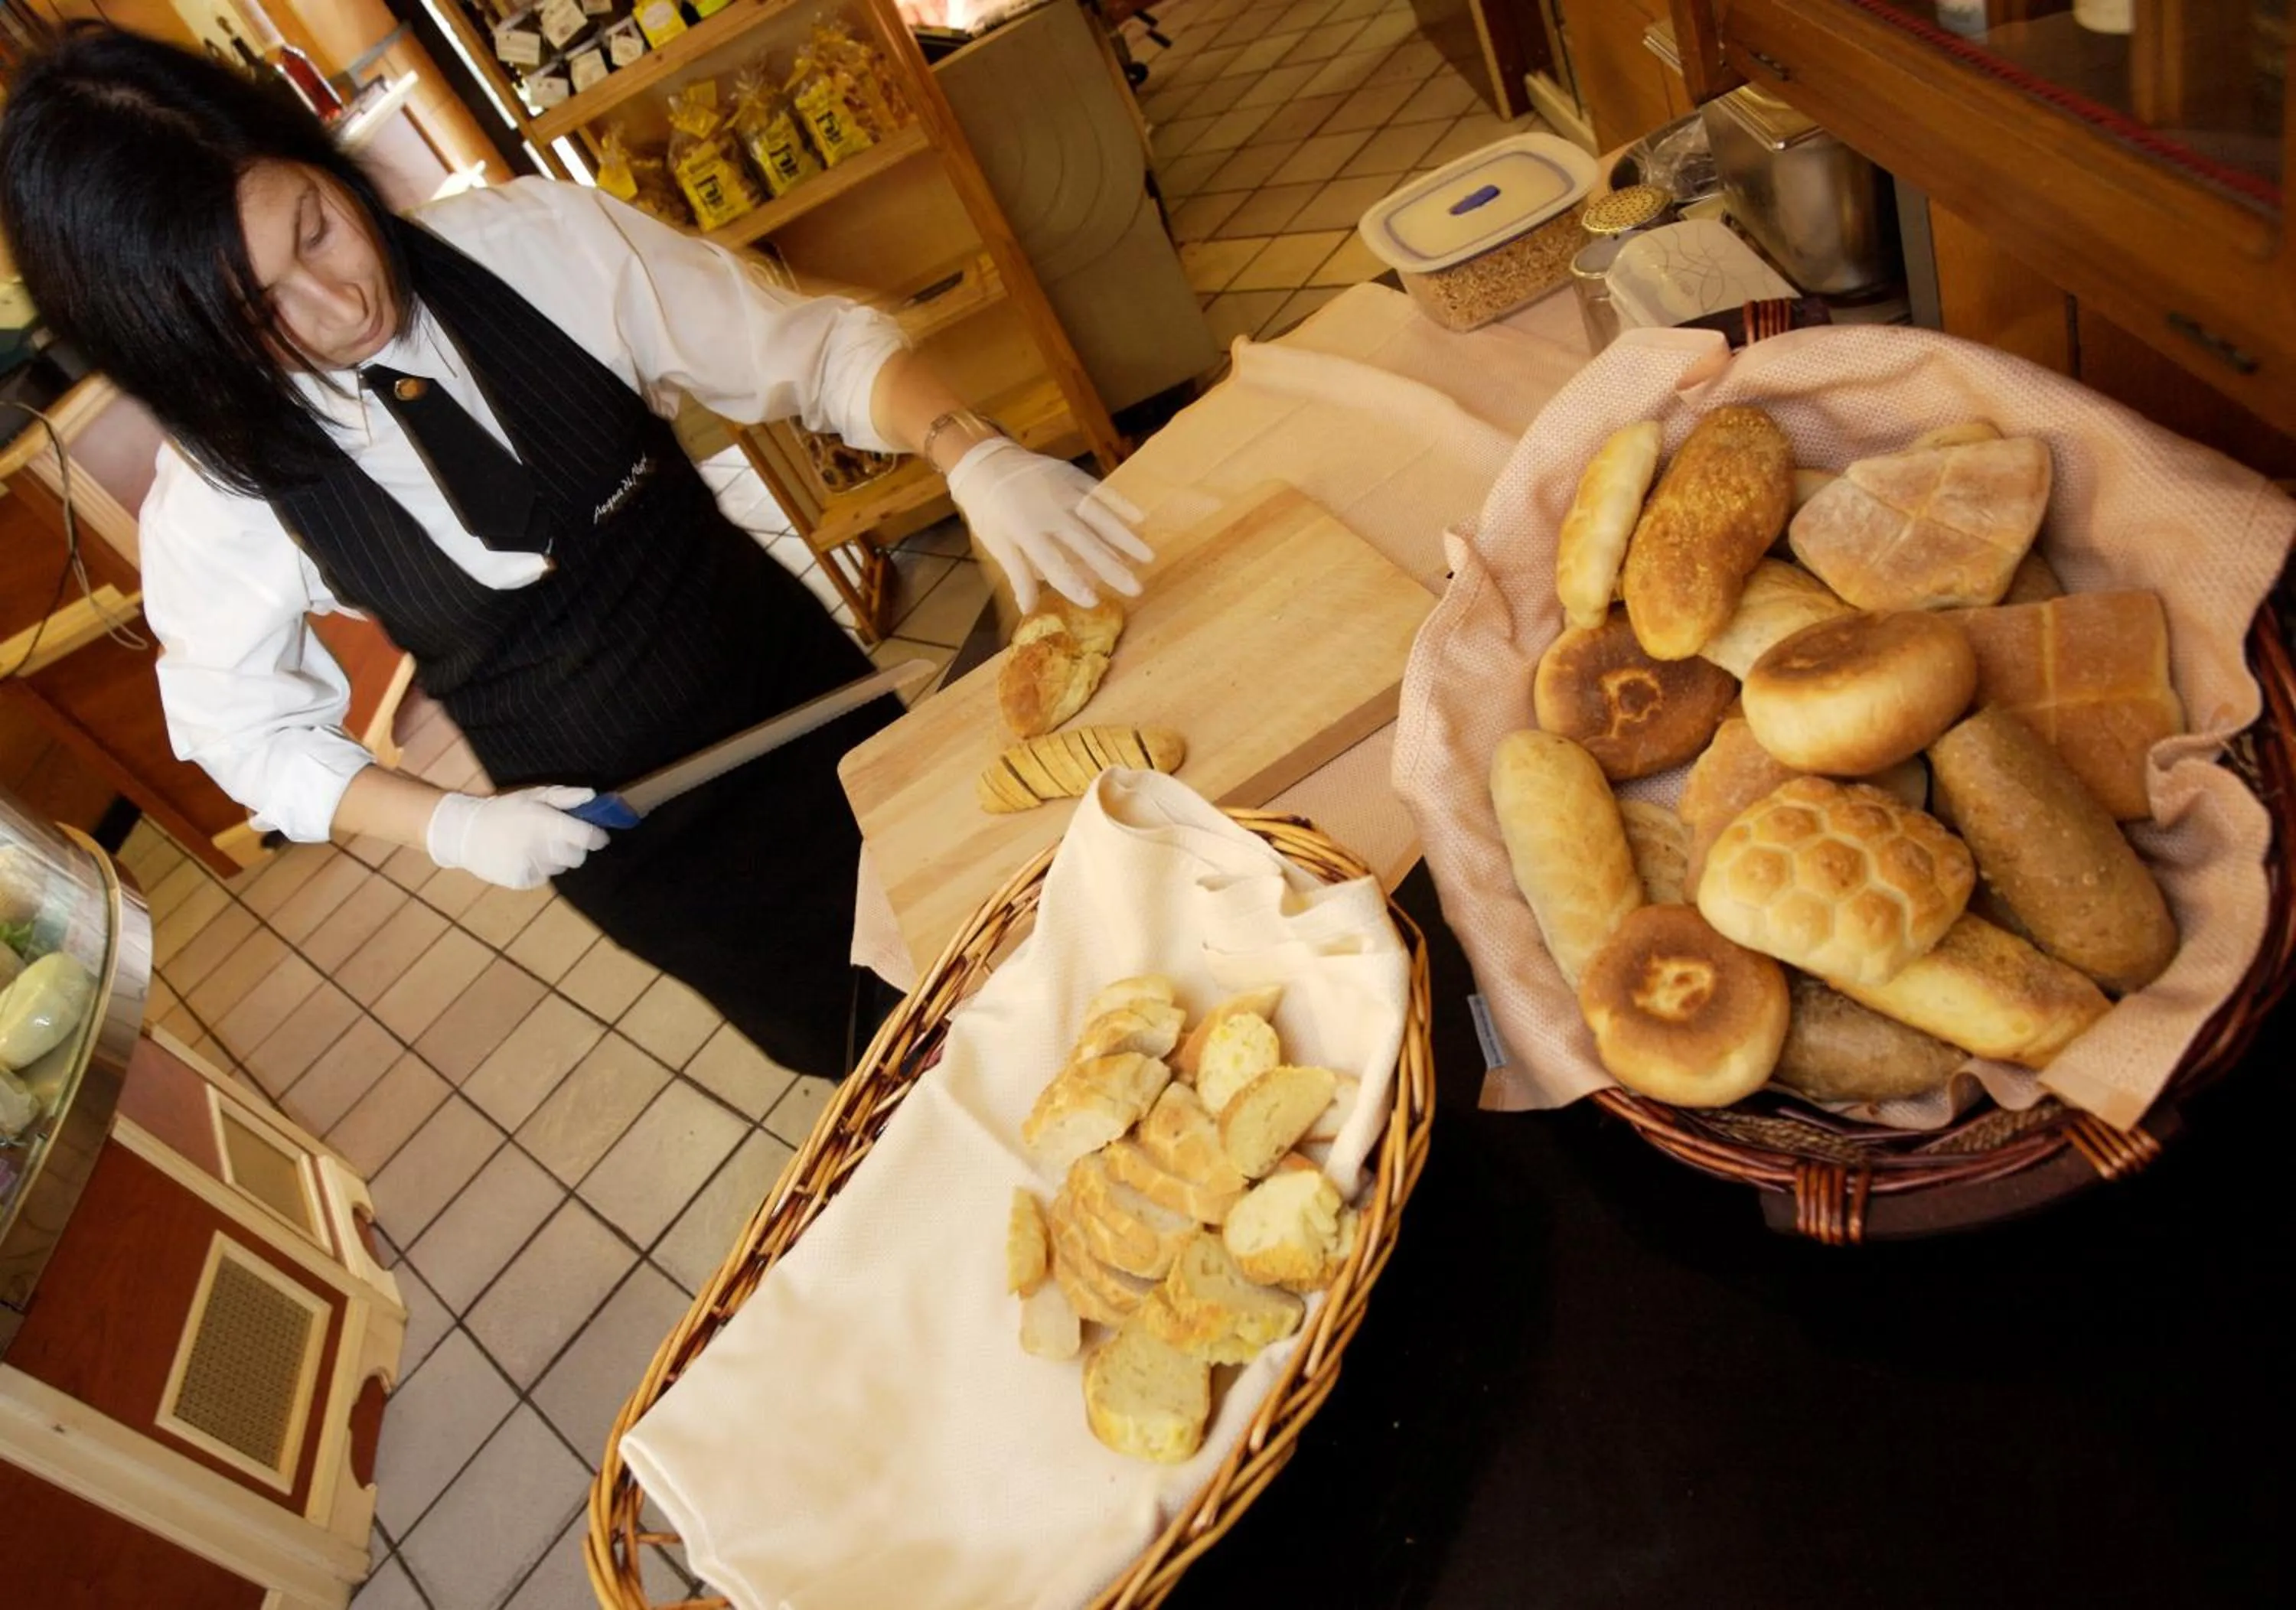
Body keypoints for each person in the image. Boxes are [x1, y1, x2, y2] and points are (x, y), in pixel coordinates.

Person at [0, 28, 1148, 1079]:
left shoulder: (531, 246)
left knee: (1048, 930)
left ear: (320, 161)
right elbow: (244, 732)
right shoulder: (222, 495)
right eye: (258, 312)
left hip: (818, 707)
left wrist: (966, 448)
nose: (339, 302)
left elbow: (816, 354)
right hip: (665, 863)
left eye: (315, 225)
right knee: (901, 1057)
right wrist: (444, 823)